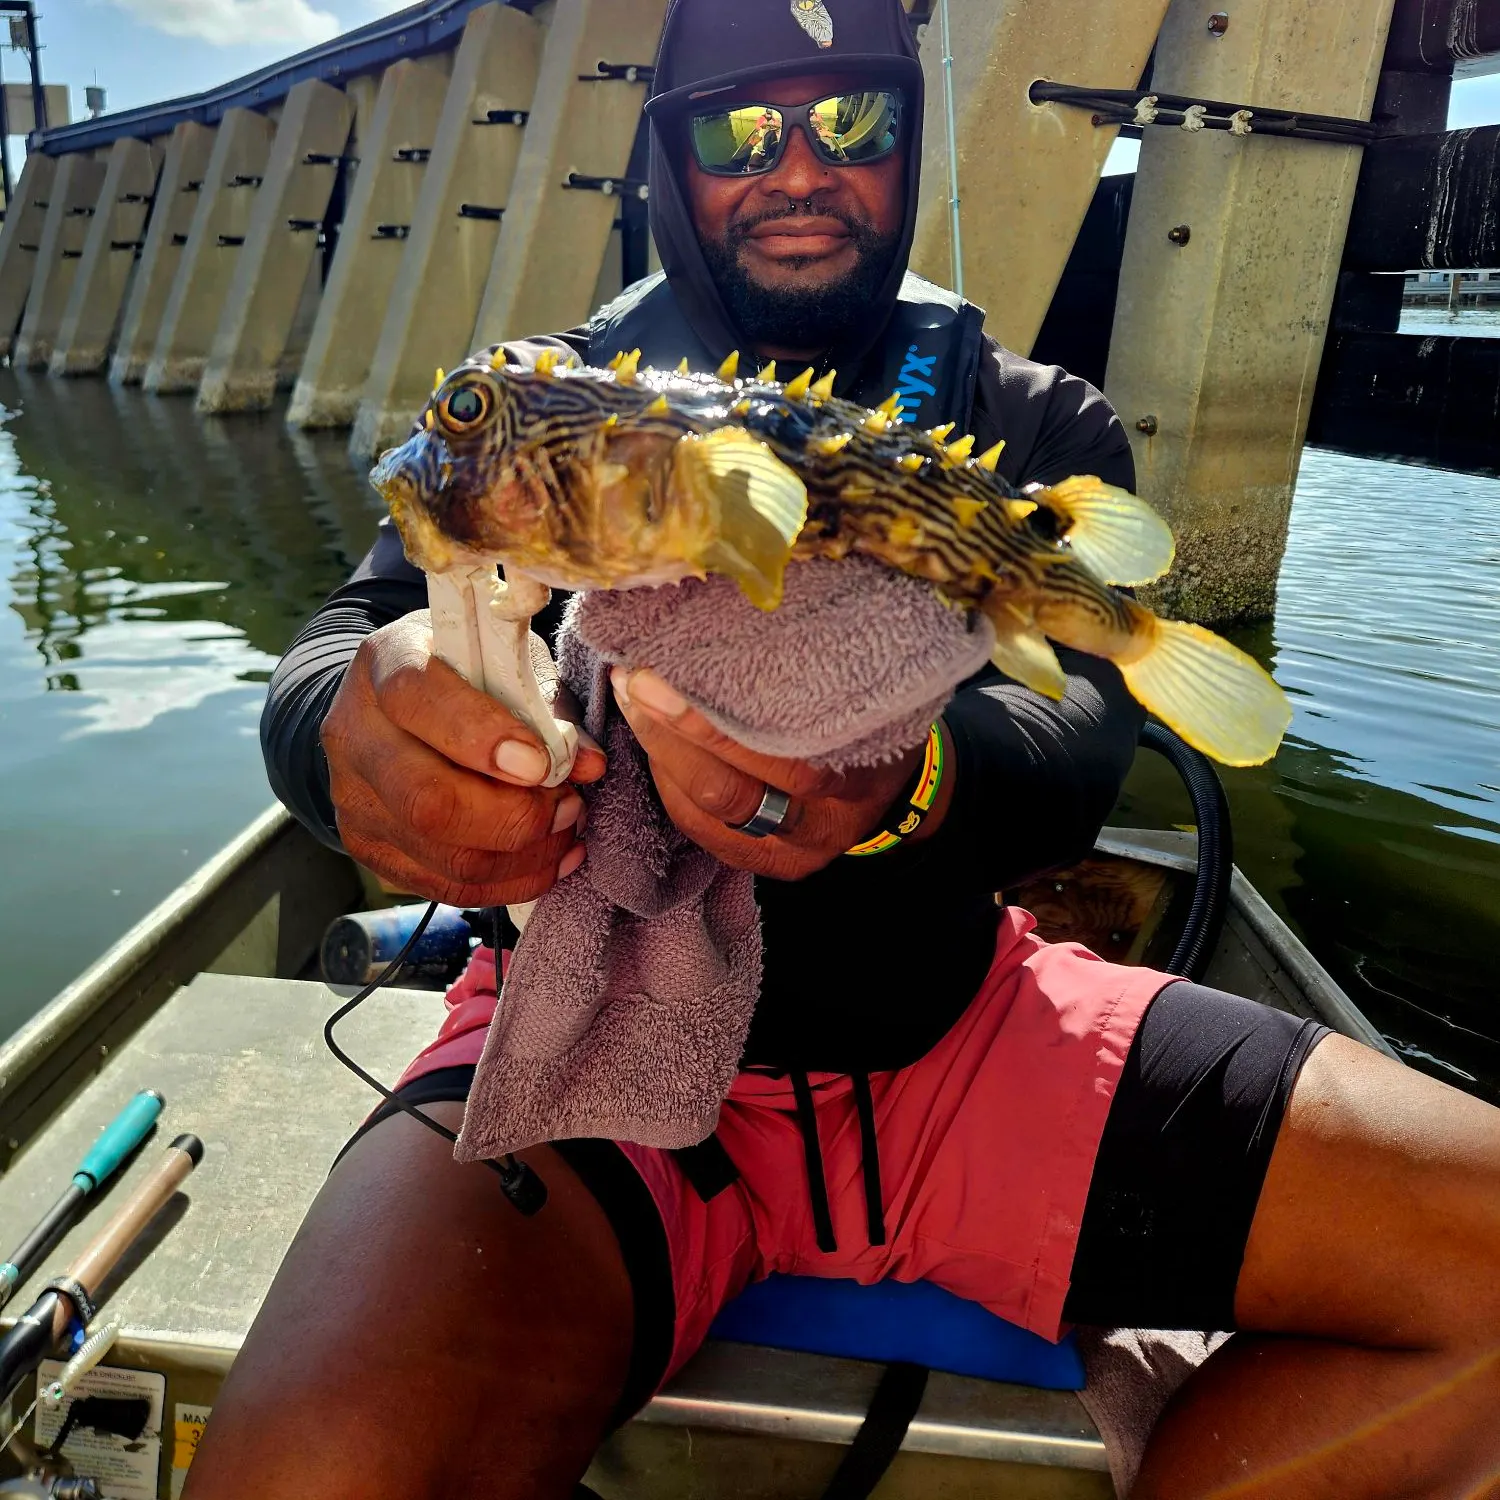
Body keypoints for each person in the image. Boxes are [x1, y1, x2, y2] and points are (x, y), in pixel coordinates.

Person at [190, 2, 1500, 1496]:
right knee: (314, 1468)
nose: (801, 167)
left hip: (965, 1033)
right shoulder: (552, 406)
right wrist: (350, 731)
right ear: (670, 158)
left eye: (855, 121)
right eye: (742, 128)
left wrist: (905, 788)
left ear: (909, 142)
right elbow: (344, 639)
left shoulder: (1031, 420)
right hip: (588, 1045)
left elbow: (1080, 733)